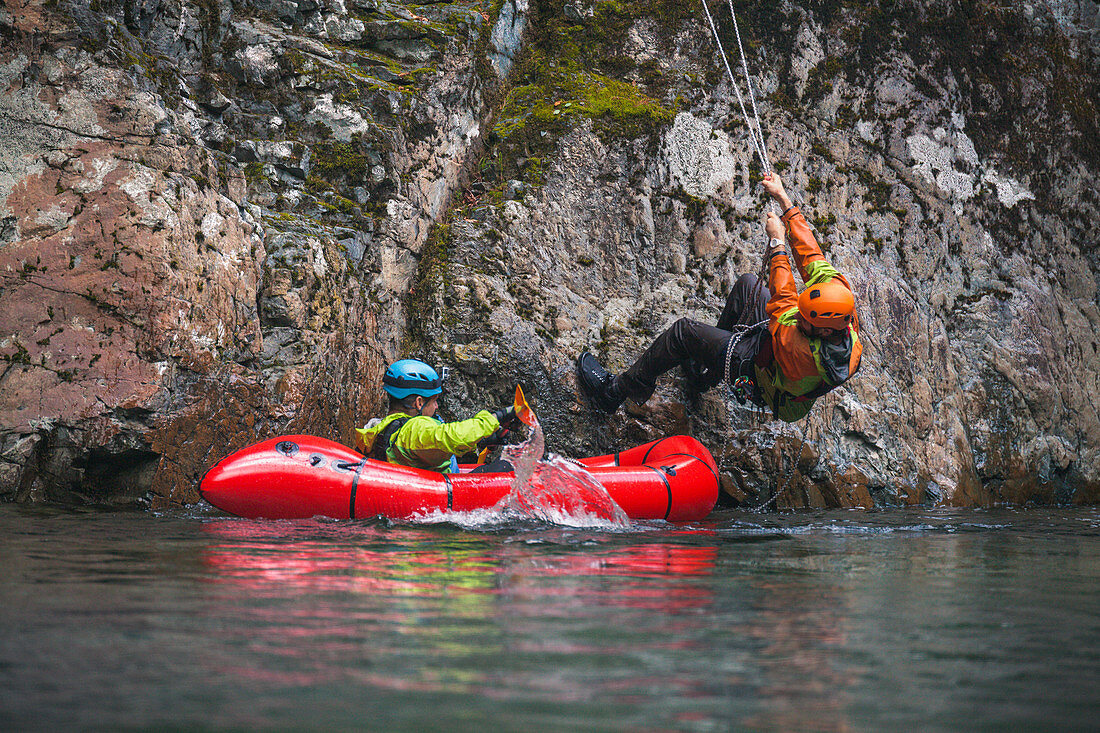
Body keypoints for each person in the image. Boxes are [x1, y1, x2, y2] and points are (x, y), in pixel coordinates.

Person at [577, 169, 862, 423]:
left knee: (682, 332)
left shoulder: (799, 347)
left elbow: (784, 300)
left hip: (765, 378)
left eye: (806, 320)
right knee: (749, 286)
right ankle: (705, 372)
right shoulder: (840, 305)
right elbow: (811, 255)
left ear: (823, 331)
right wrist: (785, 201)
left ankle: (612, 393)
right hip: (778, 357)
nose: (801, 317)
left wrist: (777, 243)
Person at [356, 359, 521, 472]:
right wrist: (497, 417)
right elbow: (449, 437)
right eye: (434, 401)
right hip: (443, 496)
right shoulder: (414, 428)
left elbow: (433, 446)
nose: (436, 406)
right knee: (510, 465)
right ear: (419, 403)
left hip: (422, 483)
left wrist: (486, 440)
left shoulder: (384, 426)